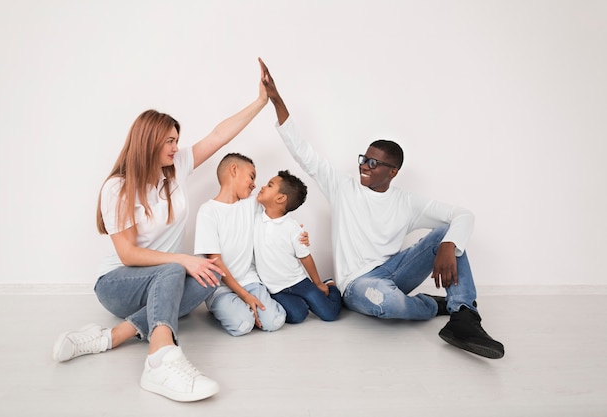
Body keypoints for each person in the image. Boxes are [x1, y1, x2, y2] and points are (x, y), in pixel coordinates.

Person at [51, 63, 270, 403]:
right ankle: (161, 359)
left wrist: (260, 102)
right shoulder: (118, 187)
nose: (175, 147)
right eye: (169, 141)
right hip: (118, 283)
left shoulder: (176, 169)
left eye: (177, 140)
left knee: (210, 270)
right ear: (149, 141)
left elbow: (217, 135)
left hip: (163, 280)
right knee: (177, 267)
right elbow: (127, 255)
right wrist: (181, 260)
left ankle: (111, 337)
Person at [259, 58, 504, 359]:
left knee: (448, 234)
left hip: (395, 272)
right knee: (387, 303)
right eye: (364, 158)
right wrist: (276, 100)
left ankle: (464, 316)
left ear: (393, 172)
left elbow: (463, 215)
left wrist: (449, 242)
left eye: (374, 163)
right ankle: (433, 305)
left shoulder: (406, 202)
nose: (364, 165)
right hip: (358, 284)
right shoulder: (343, 187)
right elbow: (302, 151)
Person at [193, 153, 287, 336]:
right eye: (251, 176)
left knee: (275, 321)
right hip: (220, 287)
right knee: (242, 325)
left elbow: (278, 207)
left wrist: (295, 232)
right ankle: (229, 308)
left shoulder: (251, 204)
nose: (254, 184)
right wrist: (243, 296)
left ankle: (251, 306)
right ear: (234, 170)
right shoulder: (208, 211)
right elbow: (216, 263)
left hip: (249, 280)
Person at [254, 170, 342, 324]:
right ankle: (302, 303)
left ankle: (331, 286)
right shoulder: (255, 218)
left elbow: (305, 257)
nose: (262, 187)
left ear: (281, 198)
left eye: (269, 185)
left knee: (329, 314)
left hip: (298, 282)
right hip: (275, 289)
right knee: (297, 316)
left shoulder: (293, 228)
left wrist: (318, 283)